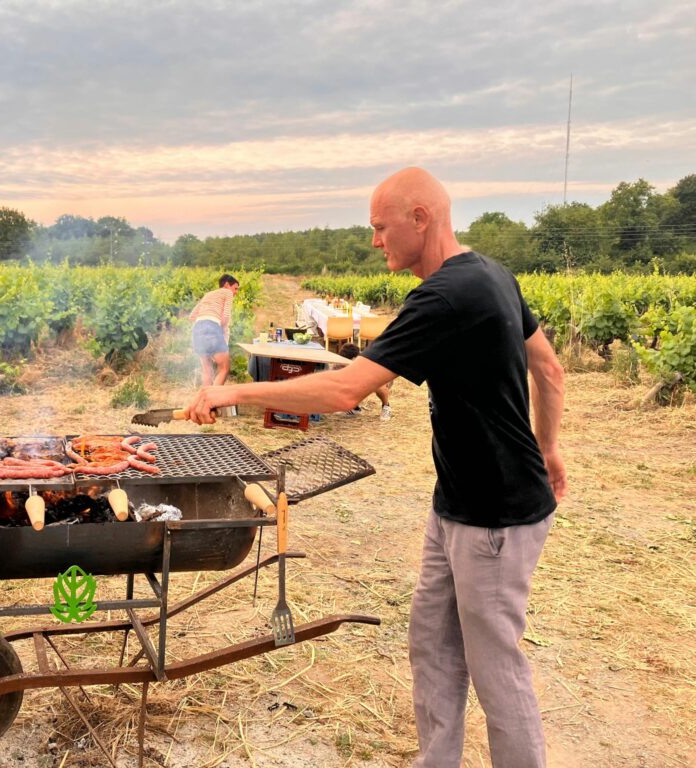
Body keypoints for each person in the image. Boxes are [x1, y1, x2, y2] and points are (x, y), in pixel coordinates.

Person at [184, 167, 566, 768]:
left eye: (379, 227)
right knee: (432, 644)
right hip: (458, 506)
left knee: (496, 669)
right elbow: (548, 370)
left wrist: (234, 396)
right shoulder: (491, 273)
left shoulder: (444, 296)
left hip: (495, 518)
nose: (374, 241)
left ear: (420, 219)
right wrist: (547, 450)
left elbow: (345, 392)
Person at [189, 274, 240, 386]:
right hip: (211, 326)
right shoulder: (227, 292)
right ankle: (214, 401)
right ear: (227, 285)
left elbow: (192, 316)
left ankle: (206, 402)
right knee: (224, 368)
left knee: (207, 370)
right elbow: (226, 316)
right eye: (235, 288)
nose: (236, 292)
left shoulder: (208, 294)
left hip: (197, 329)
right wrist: (216, 328)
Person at [338, 342, 392, 420]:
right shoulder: (341, 363)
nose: (345, 364)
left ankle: (386, 406)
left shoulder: (371, 359)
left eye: (347, 361)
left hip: (380, 379)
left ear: (355, 358)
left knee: (379, 384)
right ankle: (354, 408)